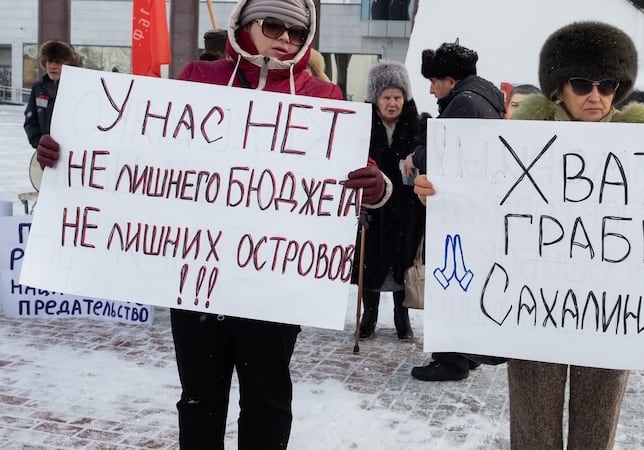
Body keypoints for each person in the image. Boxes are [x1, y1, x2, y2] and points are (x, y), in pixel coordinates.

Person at [413, 21, 644, 449]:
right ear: (559, 86)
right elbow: (481, 203)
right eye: (582, 83)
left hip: (613, 312)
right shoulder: (516, 141)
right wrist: (440, 197)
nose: (596, 96)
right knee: (533, 431)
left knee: (596, 432)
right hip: (534, 308)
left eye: (608, 85)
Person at [36, 0, 390, 448]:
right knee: (200, 399)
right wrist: (67, 154)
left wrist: (375, 187)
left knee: (268, 399)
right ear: (243, 24)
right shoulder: (198, 81)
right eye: (274, 25)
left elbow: (357, 172)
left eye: (297, 32)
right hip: (198, 276)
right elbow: (141, 156)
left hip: (274, 282)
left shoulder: (323, 98)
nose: (285, 39)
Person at [409, 40, 506, 382]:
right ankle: (465, 353)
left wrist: (416, 156)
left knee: (449, 279)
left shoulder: (464, 103)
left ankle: (450, 359)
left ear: (449, 79)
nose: (432, 90)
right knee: (463, 277)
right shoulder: (485, 98)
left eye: (435, 81)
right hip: (474, 209)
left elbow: (444, 154)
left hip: (457, 211)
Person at [353, 60, 424, 341]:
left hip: (407, 210)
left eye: (397, 97)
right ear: (376, 99)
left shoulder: (419, 126)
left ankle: (401, 315)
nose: (392, 103)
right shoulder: (362, 126)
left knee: (401, 263)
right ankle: (368, 315)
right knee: (370, 263)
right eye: (386, 97)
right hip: (374, 208)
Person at [24, 40, 77, 149]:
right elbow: (31, 120)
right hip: (46, 155)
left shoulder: (77, 88)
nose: (53, 66)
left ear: (68, 63)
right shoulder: (38, 88)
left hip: (71, 153)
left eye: (58, 62)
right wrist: (39, 144)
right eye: (49, 61)